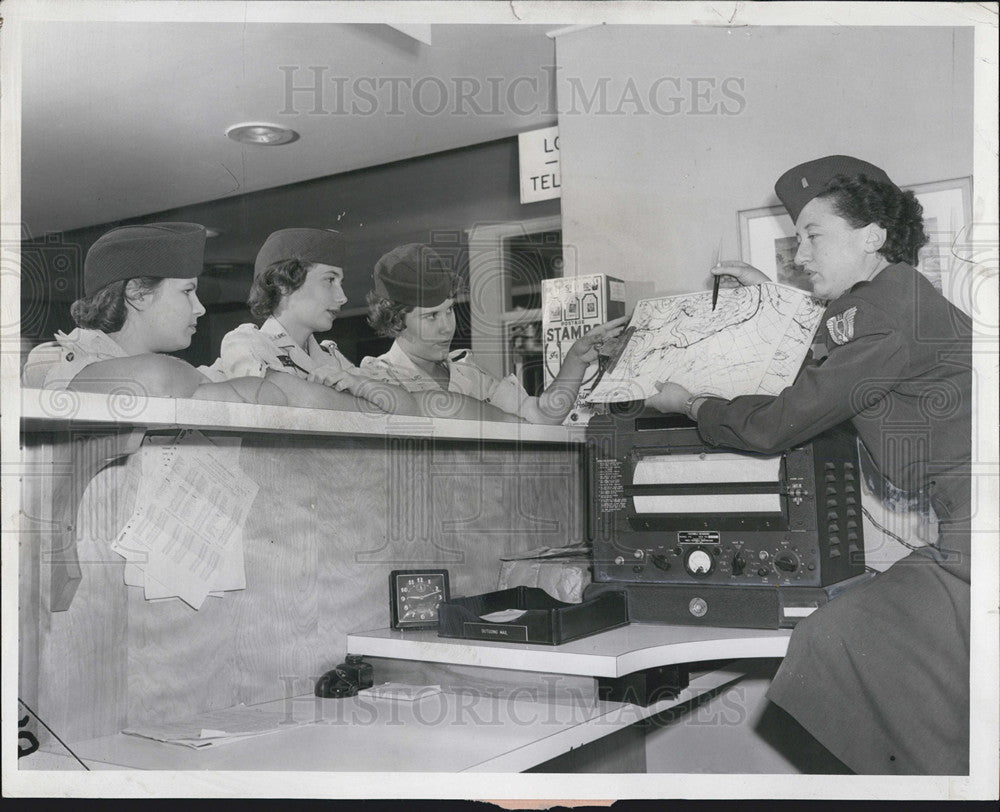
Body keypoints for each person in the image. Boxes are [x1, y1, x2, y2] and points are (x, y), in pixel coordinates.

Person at [646, 155, 972, 775]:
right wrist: (771, 304)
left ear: (873, 235)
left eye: (813, 236)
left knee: (842, 641)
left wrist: (690, 403)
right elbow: (837, 356)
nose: (800, 255)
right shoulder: (898, 300)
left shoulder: (888, 306)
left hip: (977, 540)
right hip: (969, 532)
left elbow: (779, 421)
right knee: (865, 652)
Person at [210, 228, 511, 420]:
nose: (342, 297)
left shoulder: (332, 357)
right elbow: (281, 410)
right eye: (330, 280)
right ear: (283, 284)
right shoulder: (246, 343)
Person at [361, 243, 627, 425]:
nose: (447, 326)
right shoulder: (377, 379)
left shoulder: (468, 373)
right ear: (396, 321)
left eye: (449, 310)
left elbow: (542, 415)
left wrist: (576, 359)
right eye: (431, 316)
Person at [22, 222, 287, 404]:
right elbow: (155, 378)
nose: (200, 307)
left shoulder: (184, 379)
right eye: (186, 291)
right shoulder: (51, 362)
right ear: (138, 294)